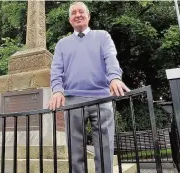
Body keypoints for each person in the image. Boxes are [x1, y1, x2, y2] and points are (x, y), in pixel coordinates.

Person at [48, 2, 130, 173]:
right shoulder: (62, 44)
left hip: (101, 97)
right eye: (73, 13)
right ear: (70, 20)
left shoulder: (102, 36)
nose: (77, 15)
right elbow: (56, 70)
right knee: (75, 151)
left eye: (81, 12)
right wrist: (57, 89)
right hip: (73, 100)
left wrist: (114, 78)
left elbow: (111, 58)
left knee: (105, 148)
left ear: (88, 16)